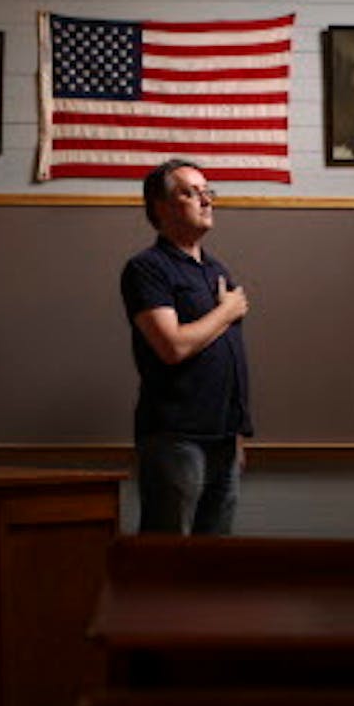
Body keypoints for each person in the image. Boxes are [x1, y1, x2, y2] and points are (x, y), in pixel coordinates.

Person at [120, 159, 253, 534]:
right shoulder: (147, 268)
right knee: (167, 558)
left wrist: (237, 431)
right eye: (191, 193)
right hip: (176, 438)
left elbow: (227, 357)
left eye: (208, 191)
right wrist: (226, 312)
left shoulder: (217, 271)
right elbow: (172, 347)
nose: (206, 200)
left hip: (224, 439)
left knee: (213, 565)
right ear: (160, 207)